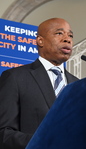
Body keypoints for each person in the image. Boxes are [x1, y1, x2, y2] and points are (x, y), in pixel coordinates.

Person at [0, 18, 79, 149]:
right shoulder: (15, 77)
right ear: (40, 41)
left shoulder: (78, 84)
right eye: (59, 33)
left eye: (70, 35)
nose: (67, 39)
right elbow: (4, 133)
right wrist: (45, 141)